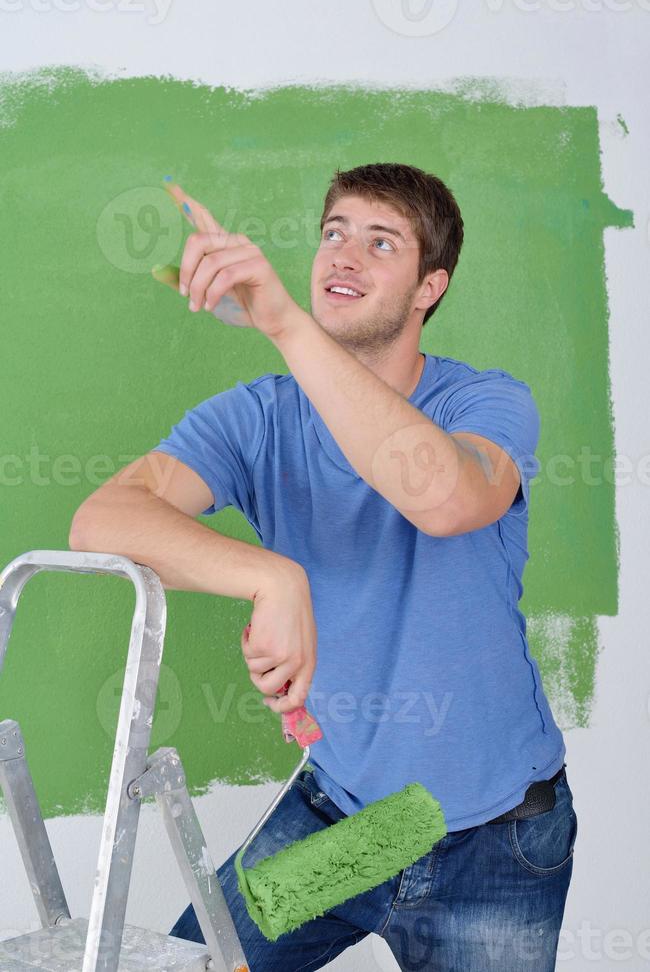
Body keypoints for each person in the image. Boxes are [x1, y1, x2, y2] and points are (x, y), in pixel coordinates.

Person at [69, 163, 577, 970]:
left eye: (382, 243)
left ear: (428, 288)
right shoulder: (260, 417)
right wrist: (272, 576)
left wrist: (285, 324)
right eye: (334, 233)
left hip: (498, 842)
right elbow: (101, 519)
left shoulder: (487, 404)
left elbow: (442, 499)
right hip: (357, 828)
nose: (345, 255)